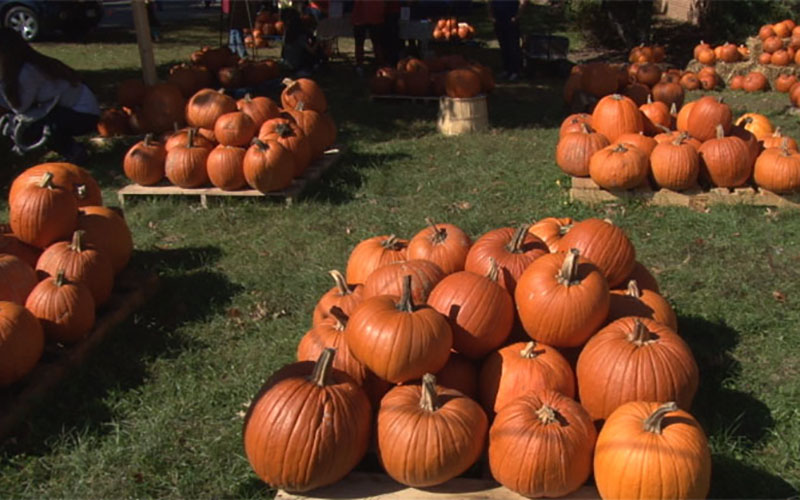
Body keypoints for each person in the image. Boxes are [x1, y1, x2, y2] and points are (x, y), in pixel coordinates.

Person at [0, 28, 99, 162]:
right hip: (69, 111)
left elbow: (20, 108)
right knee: (28, 123)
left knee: (31, 127)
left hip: (83, 115)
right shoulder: (28, 65)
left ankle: (73, 151)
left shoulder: (28, 72)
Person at [281, 8, 326, 76]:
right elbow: (312, 51)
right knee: (311, 54)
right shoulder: (300, 36)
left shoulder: (287, 34)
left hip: (287, 62)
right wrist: (317, 41)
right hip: (296, 64)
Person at [490, 0, 526, 81]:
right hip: (498, 18)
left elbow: (523, 2)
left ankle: (515, 71)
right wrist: (491, 15)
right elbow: (490, 2)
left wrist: (517, 16)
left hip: (511, 17)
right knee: (503, 45)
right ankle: (506, 69)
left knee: (513, 45)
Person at [351, 0, 386, 75]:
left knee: (373, 43)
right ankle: (379, 65)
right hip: (371, 15)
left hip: (365, 15)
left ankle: (360, 66)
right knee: (376, 43)